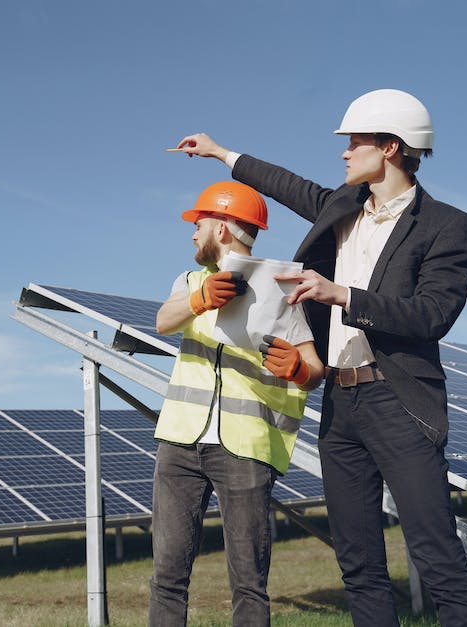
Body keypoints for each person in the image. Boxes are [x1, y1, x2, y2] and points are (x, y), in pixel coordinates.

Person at [173, 89, 467, 626]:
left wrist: (341, 294)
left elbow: (432, 314)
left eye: (355, 142)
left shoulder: (449, 226)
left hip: (400, 403)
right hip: (341, 409)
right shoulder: (341, 207)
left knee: (439, 560)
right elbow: (285, 183)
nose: (344, 153)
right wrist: (220, 152)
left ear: (391, 146)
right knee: (359, 565)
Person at [149, 180, 324, 626]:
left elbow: (313, 366)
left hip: (246, 449)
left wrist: (299, 370)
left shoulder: (281, 290)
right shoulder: (188, 281)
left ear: (223, 229)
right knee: (167, 574)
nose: (192, 233)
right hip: (180, 445)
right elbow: (163, 321)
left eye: (199, 223)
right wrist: (199, 300)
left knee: (248, 581)